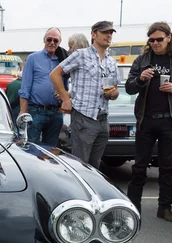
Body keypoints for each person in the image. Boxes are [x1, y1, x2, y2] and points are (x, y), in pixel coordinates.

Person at [125, 22, 172, 222]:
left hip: (170, 120)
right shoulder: (142, 59)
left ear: (169, 37)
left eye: (159, 39)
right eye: (151, 40)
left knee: (167, 167)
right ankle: (133, 209)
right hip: (145, 120)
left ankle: (164, 208)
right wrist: (140, 79)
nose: (155, 43)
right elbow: (129, 87)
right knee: (139, 167)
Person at [50, 21, 121, 169]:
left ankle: (92, 193)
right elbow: (55, 74)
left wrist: (114, 93)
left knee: (95, 167)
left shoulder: (112, 62)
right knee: (80, 166)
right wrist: (65, 98)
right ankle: (77, 193)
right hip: (84, 118)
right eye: (105, 32)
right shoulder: (81, 55)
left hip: (103, 119)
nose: (109, 35)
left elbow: (115, 91)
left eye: (111, 33)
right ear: (94, 35)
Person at [17, 27, 68, 146]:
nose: (52, 42)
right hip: (36, 111)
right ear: (44, 40)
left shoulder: (62, 61)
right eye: (49, 39)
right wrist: (23, 112)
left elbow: (65, 85)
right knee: (30, 148)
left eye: (56, 40)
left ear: (59, 42)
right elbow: (25, 88)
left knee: (50, 151)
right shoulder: (32, 59)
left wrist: (62, 102)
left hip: (55, 113)